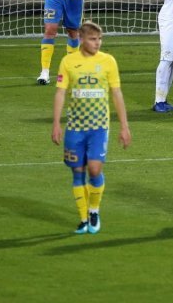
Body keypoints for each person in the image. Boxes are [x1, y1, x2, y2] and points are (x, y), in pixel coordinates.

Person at [52, 21, 131, 234]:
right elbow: (60, 92)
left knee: (95, 169)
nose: (97, 43)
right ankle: (83, 219)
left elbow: (117, 93)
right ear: (81, 39)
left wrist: (124, 126)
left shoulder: (108, 62)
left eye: (99, 39)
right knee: (77, 172)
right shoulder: (68, 62)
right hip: (75, 128)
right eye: (93, 39)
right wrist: (56, 123)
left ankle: (94, 210)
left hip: (99, 127)